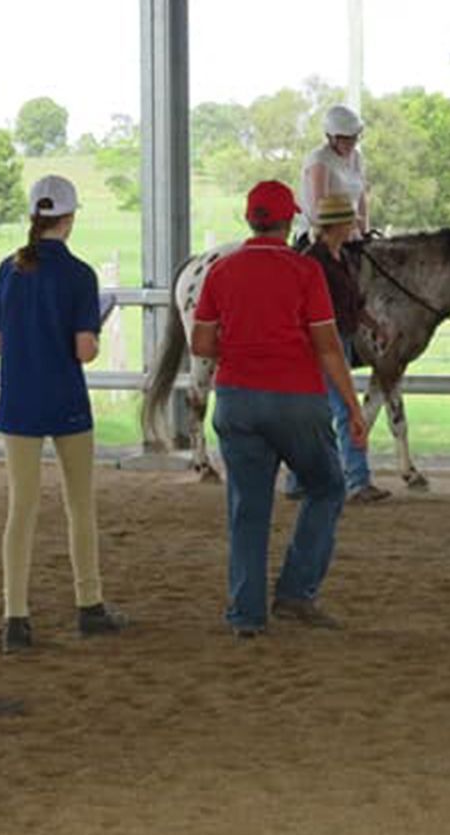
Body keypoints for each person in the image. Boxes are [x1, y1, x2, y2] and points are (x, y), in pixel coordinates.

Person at [191, 182, 368, 638]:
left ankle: (246, 616)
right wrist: (352, 407)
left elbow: (202, 343)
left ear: (249, 219)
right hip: (296, 400)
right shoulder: (304, 272)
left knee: (248, 508)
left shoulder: (221, 272)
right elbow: (329, 348)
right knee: (327, 488)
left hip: (236, 399)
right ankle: (295, 591)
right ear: (290, 220)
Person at [0, 175, 127, 653]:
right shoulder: (80, 276)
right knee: (78, 505)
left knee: (20, 509)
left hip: (19, 401)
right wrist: (95, 331)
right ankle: (89, 604)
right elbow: (84, 351)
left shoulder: (9, 268)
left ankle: (15, 616)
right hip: (65, 400)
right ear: (69, 219)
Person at [302, 195, 391, 504]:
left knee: (321, 409)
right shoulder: (315, 261)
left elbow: (352, 302)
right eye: (350, 221)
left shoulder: (343, 259)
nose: (354, 226)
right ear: (337, 225)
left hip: (341, 336)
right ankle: (357, 479)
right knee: (343, 407)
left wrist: (373, 324)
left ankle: (297, 480)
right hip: (326, 341)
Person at [301, 105, 370, 239]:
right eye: (345, 138)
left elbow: (361, 199)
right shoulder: (320, 159)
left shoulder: (357, 158)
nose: (351, 143)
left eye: (354, 137)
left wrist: (364, 232)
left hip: (350, 233)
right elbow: (320, 207)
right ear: (331, 137)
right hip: (319, 235)